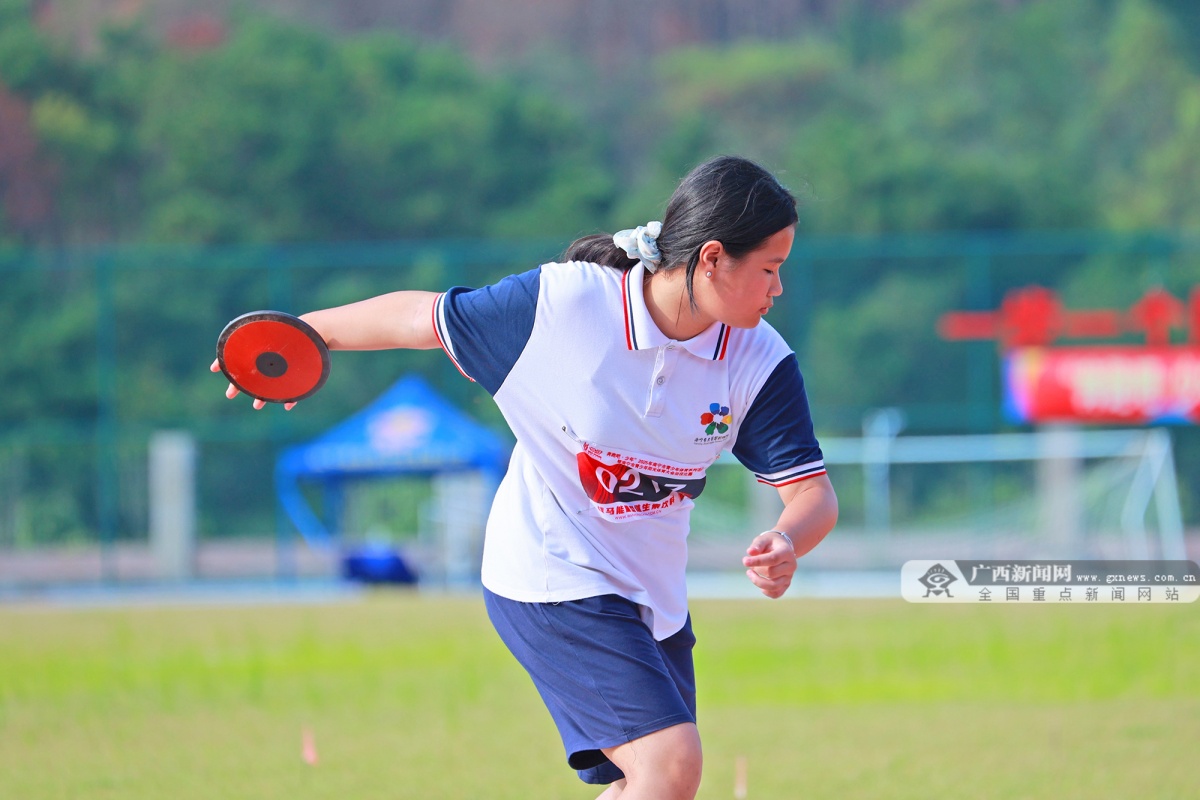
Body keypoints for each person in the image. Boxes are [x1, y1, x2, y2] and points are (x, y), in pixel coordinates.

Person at [211, 155, 838, 800]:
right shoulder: (566, 306)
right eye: (770, 268)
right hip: (550, 573)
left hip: (652, 597)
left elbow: (812, 494)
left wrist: (787, 539)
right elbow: (421, 319)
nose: (778, 289)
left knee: (648, 782)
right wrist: (301, 336)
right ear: (711, 259)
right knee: (670, 765)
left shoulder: (757, 360)